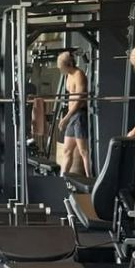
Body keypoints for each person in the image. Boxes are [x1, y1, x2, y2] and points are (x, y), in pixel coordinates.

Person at [56, 50, 90, 178]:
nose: (60, 70)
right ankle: (62, 179)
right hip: (72, 116)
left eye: (61, 67)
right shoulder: (68, 75)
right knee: (66, 150)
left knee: (83, 151)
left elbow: (79, 100)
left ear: (69, 64)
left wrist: (66, 118)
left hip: (79, 115)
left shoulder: (79, 75)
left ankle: (90, 180)